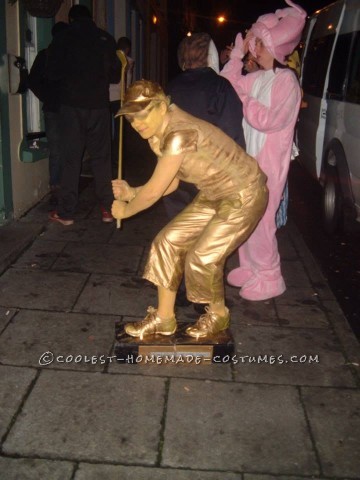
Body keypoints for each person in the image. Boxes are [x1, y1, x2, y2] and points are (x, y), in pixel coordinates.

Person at [111, 80, 268, 339]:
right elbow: (169, 184)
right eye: (130, 118)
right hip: (214, 193)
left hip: (244, 192)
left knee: (202, 256)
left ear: (161, 106)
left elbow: (153, 193)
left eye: (141, 115)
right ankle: (164, 318)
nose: (136, 123)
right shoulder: (159, 133)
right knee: (167, 242)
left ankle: (218, 315)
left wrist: (126, 210)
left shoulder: (178, 133)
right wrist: (131, 193)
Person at [221, 0, 306, 301]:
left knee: (263, 220)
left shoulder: (287, 81)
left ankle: (270, 276)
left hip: (269, 165)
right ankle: (251, 268)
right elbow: (228, 84)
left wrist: (246, 102)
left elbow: (269, 120)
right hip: (251, 161)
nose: (253, 47)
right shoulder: (259, 77)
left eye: (257, 41)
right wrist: (234, 56)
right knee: (248, 216)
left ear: (270, 43)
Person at [45, 4, 121, 225]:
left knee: (71, 159)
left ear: (71, 20)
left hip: (72, 106)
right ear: (91, 19)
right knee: (101, 159)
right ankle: (108, 208)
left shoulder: (64, 38)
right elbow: (115, 76)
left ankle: (66, 212)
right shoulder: (106, 39)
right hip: (98, 106)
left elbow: (52, 73)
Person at [28, 21, 69, 206]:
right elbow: (33, 81)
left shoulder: (69, 55)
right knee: (57, 150)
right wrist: (48, 96)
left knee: (64, 149)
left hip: (68, 109)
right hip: (55, 109)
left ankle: (62, 185)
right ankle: (56, 186)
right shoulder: (46, 56)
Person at [109, 36, 135, 173]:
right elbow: (128, 83)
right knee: (119, 132)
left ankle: (110, 158)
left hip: (106, 98)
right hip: (119, 99)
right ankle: (117, 159)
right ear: (127, 49)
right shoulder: (128, 61)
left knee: (107, 130)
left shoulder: (109, 58)